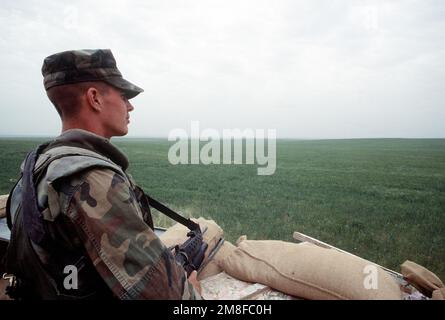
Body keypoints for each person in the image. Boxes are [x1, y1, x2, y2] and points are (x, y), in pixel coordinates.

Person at [3, 49, 201, 300]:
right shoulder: (93, 179)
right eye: (124, 95)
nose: (130, 105)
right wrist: (193, 292)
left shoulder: (37, 165)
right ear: (94, 98)